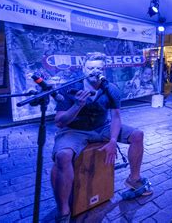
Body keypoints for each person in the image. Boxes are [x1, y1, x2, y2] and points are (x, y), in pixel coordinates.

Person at [51, 52, 150, 222]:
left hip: (101, 127)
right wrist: (77, 105)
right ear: (83, 69)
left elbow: (116, 117)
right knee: (63, 156)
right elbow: (60, 122)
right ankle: (64, 211)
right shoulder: (69, 88)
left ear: (103, 70)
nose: (94, 71)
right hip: (74, 130)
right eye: (90, 68)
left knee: (137, 135)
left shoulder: (111, 89)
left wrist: (112, 140)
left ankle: (134, 179)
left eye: (98, 68)